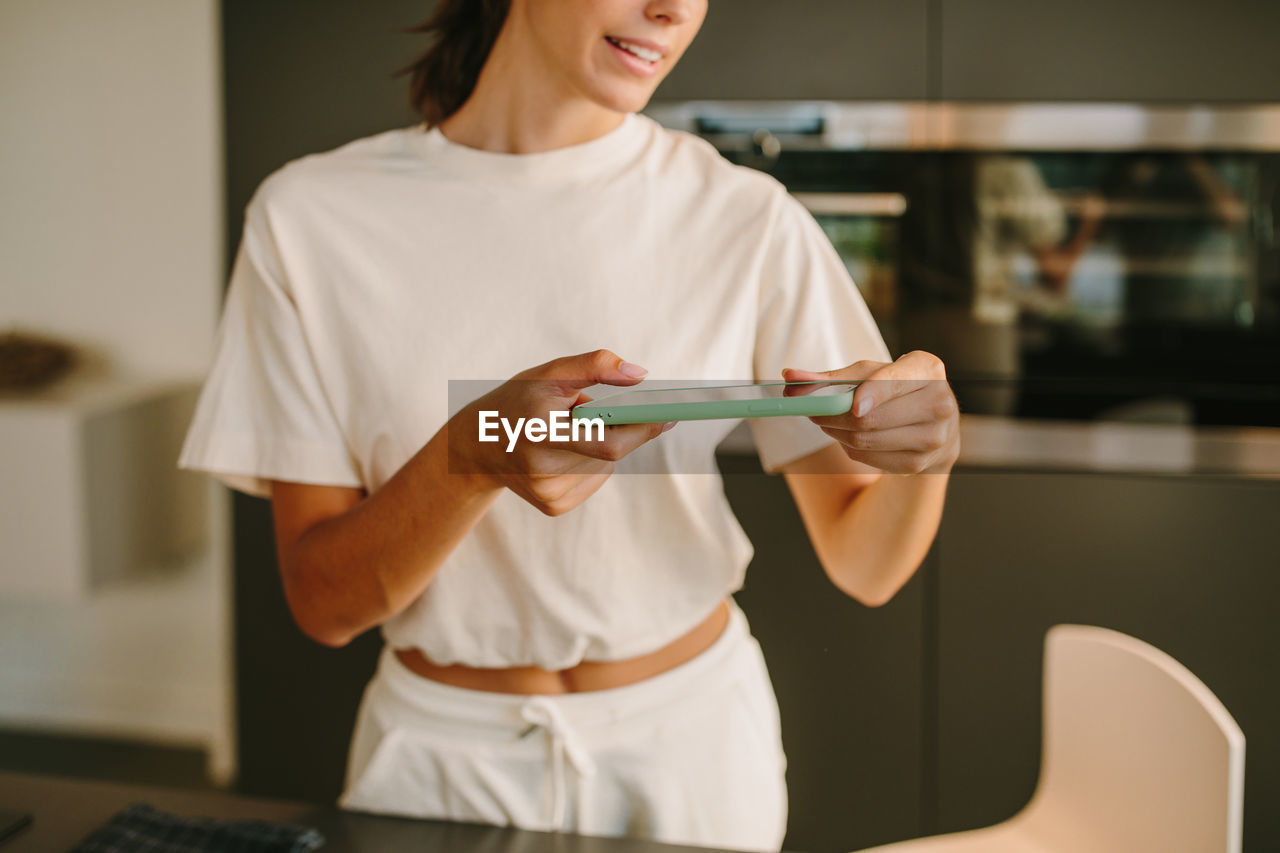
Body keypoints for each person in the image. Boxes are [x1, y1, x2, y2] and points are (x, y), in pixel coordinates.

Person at [179, 1, 960, 851]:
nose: (671, 9)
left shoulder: (744, 216)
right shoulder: (308, 219)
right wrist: (469, 458)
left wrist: (929, 452)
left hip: (690, 753)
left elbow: (869, 564)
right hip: (438, 765)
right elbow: (324, 604)